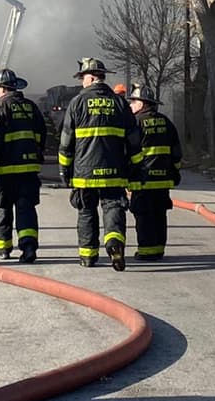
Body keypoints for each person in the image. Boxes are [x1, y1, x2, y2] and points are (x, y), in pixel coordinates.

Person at [58, 57, 137, 270]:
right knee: (113, 207)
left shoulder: (77, 103)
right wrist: (135, 167)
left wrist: (64, 170)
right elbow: (134, 140)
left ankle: (88, 256)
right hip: (115, 171)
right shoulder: (120, 103)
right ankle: (114, 243)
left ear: (91, 78)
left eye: (83, 77)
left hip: (84, 173)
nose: (81, 82)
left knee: (86, 211)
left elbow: (66, 141)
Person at [0, 68, 47, 262]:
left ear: (1, 88)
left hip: (4, 170)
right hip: (29, 169)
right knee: (26, 208)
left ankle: (3, 249)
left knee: (3, 208)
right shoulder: (31, 107)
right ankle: (29, 248)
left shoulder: (0, 108)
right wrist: (35, 154)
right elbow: (42, 134)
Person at [126, 84, 183, 261]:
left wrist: (127, 174)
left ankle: (146, 251)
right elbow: (176, 153)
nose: (130, 105)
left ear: (142, 103)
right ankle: (159, 249)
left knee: (144, 215)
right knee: (159, 215)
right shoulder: (167, 122)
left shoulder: (135, 123)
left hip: (142, 180)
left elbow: (129, 151)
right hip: (163, 180)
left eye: (133, 101)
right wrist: (174, 172)